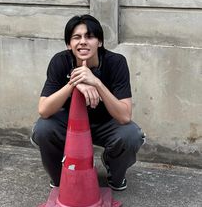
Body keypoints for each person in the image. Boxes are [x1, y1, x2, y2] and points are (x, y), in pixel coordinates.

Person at [31, 14, 145, 191]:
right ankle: (59, 176)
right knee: (43, 128)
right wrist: (75, 82)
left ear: (99, 42)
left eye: (89, 36)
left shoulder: (116, 63)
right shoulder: (60, 61)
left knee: (131, 134)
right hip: (69, 124)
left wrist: (96, 83)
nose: (83, 42)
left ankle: (114, 172)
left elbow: (124, 116)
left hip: (106, 123)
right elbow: (44, 110)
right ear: (69, 44)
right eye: (76, 37)